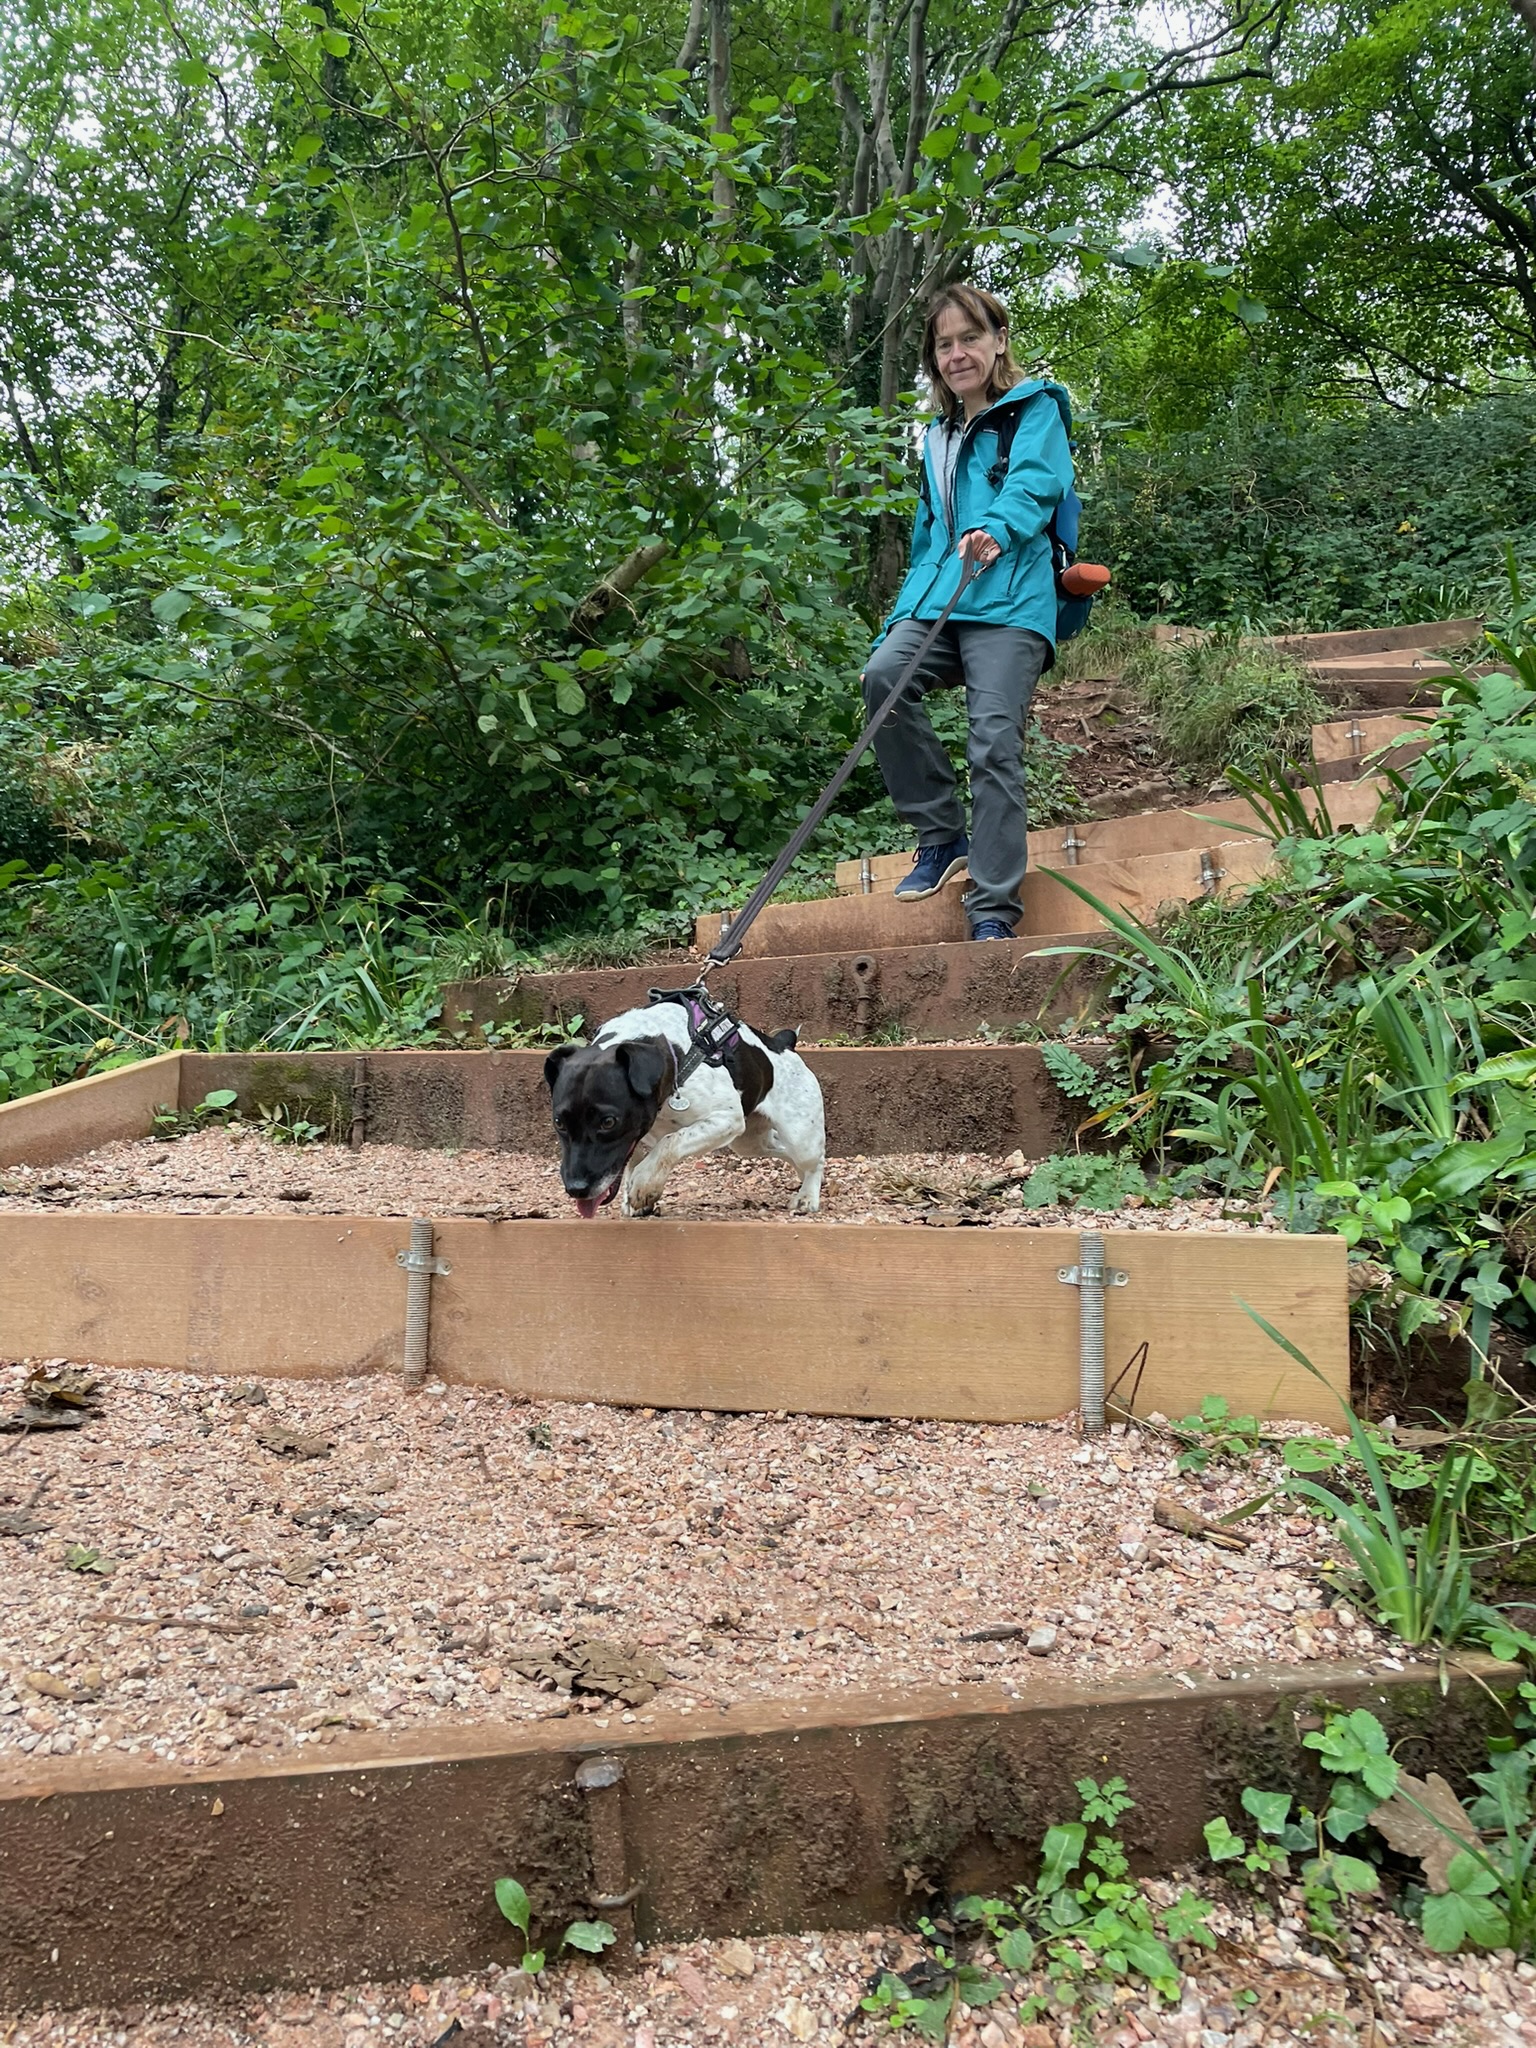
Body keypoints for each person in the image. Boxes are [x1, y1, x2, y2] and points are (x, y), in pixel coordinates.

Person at [861, 284, 1074, 941]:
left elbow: (1038, 484)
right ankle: (941, 836)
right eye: (944, 344)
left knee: (993, 744)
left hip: (1011, 600)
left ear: (998, 340)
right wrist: (903, 617)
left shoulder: (1034, 410)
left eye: (970, 338)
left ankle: (992, 909)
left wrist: (997, 530)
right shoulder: (935, 437)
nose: (958, 354)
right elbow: (929, 537)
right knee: (882, 677)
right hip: (944, 601)